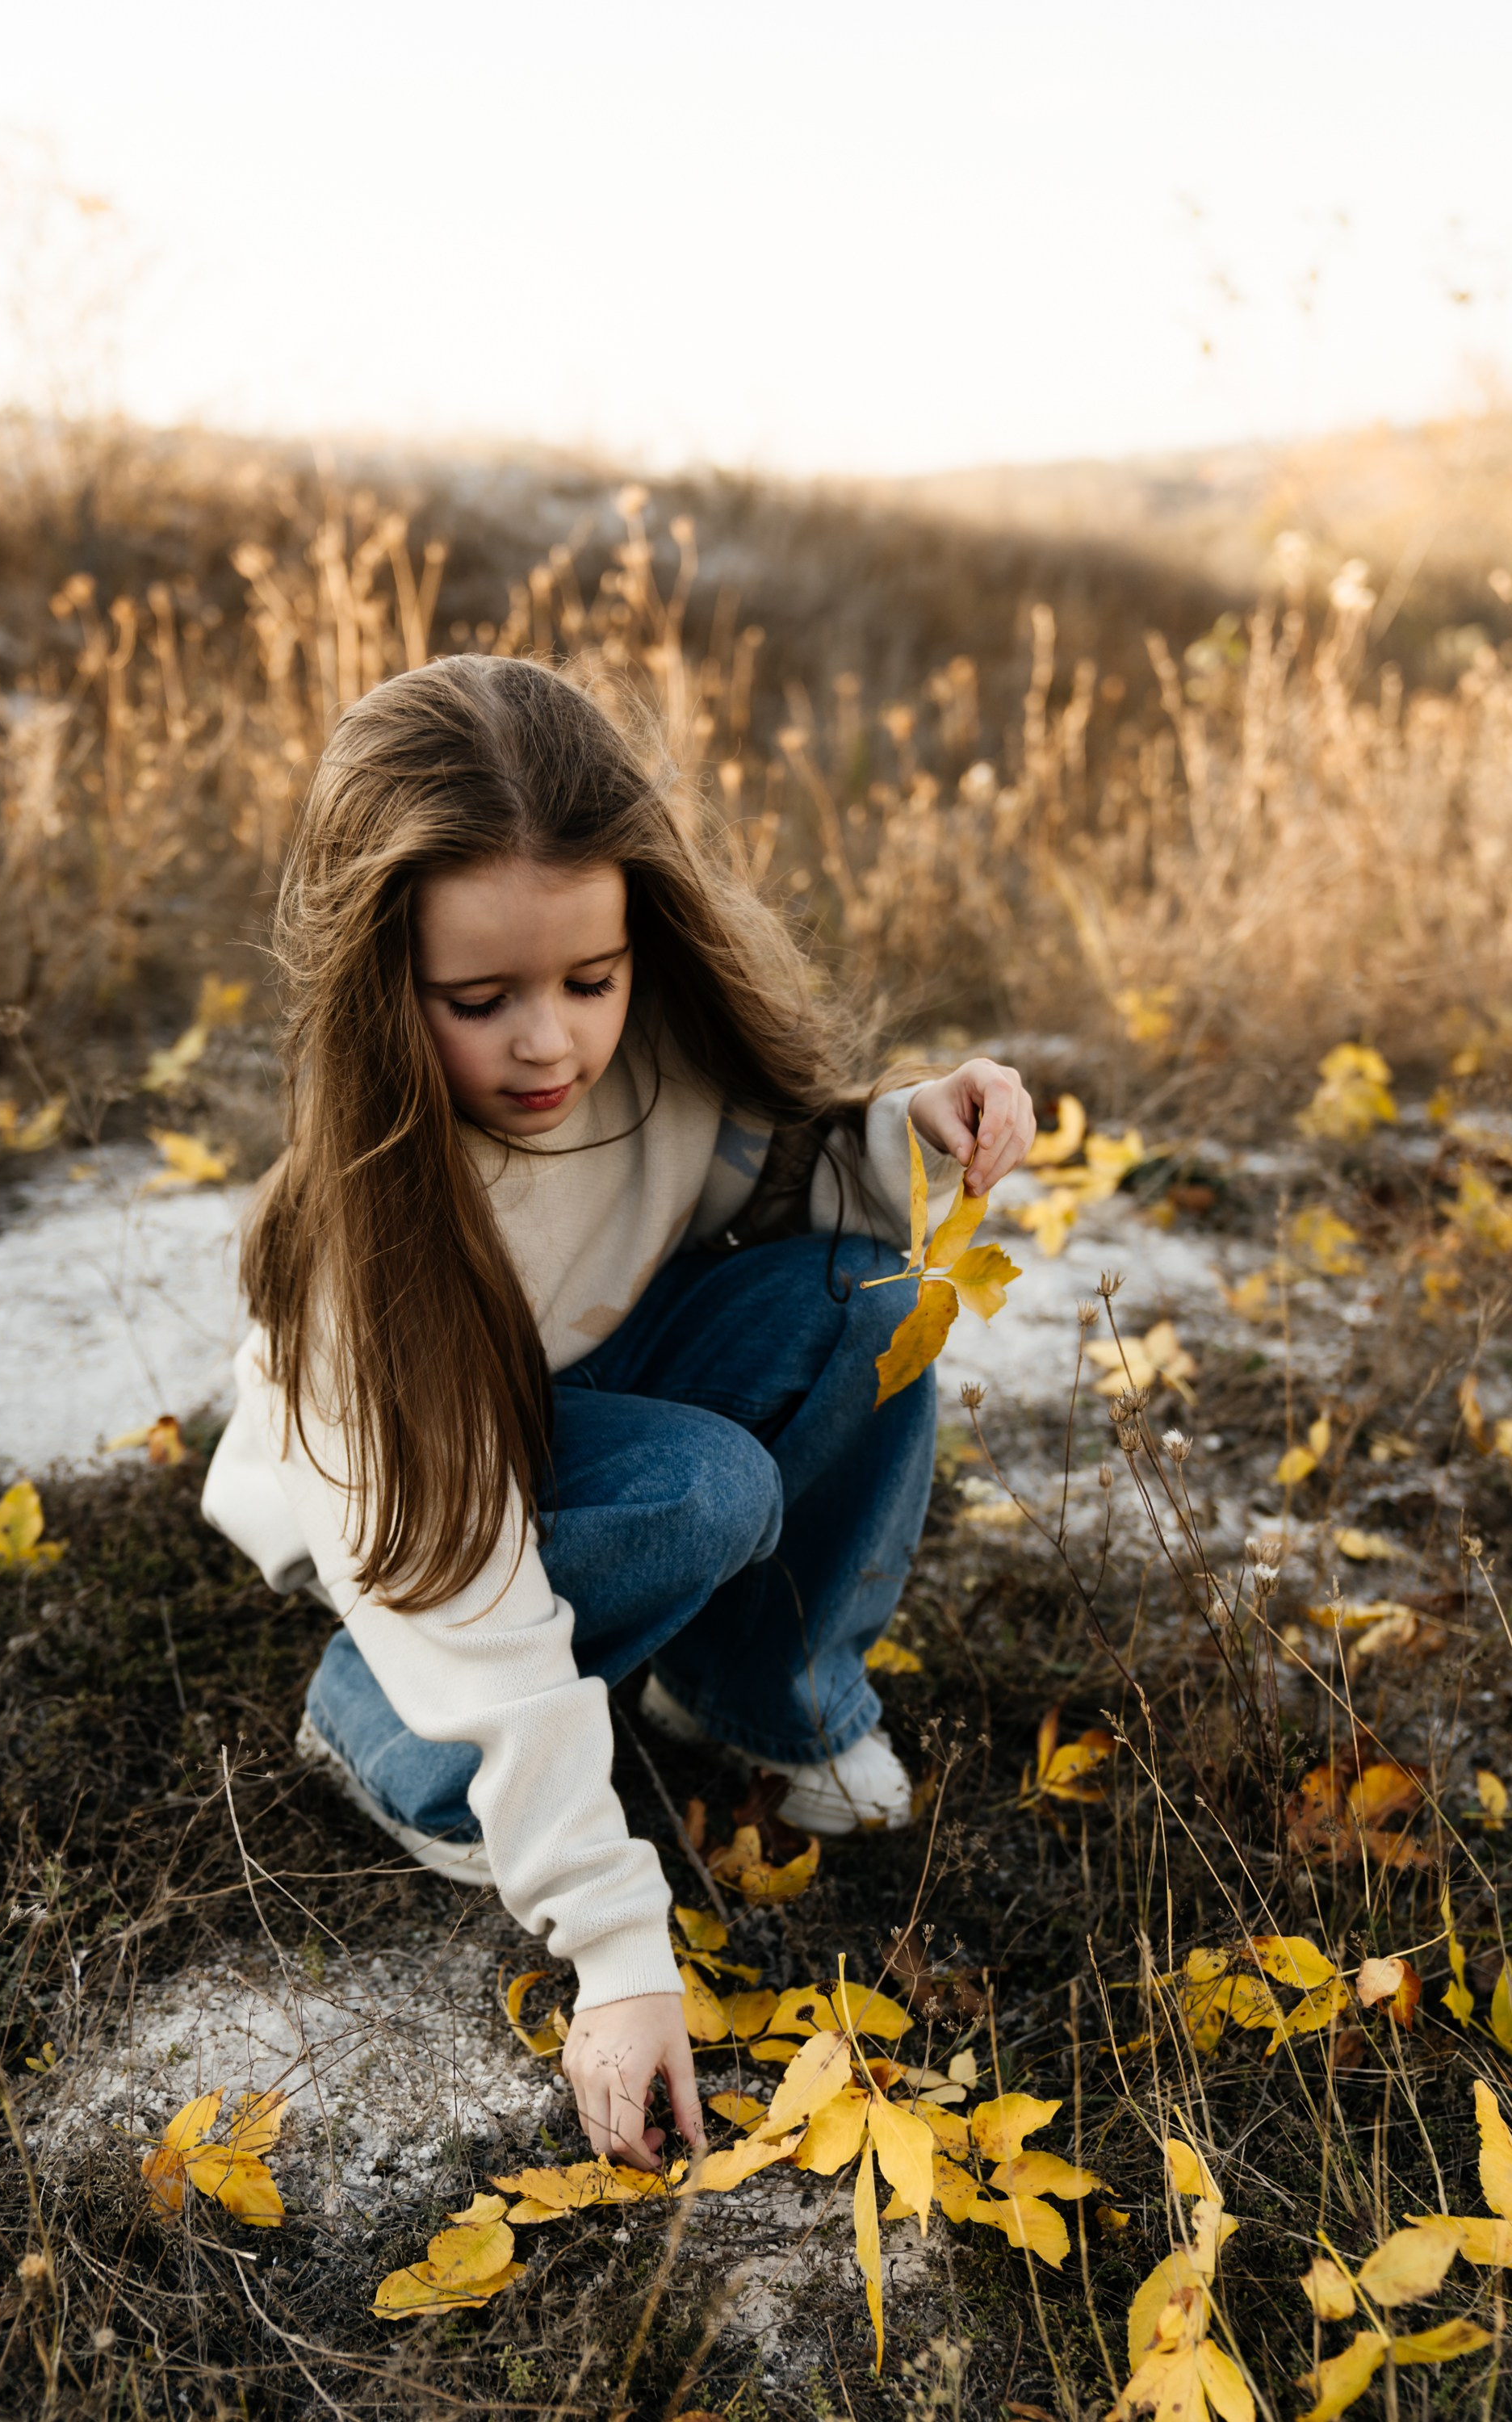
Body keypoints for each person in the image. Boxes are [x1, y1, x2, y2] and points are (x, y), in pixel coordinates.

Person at [202, 652, 1035, 2174]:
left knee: (865, 1291)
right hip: (420, 1533)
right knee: (696, 1493)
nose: (551, 1045)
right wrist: (619, 1948)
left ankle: (760, 1700)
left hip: (576, 1407)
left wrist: (902, 1132)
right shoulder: (359, 1252)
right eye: (481, 999)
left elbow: (759, 1193)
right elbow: (462, 1574)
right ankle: (379, 1726)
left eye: (590, 979)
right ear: (374, 984)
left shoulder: (643, 1049)